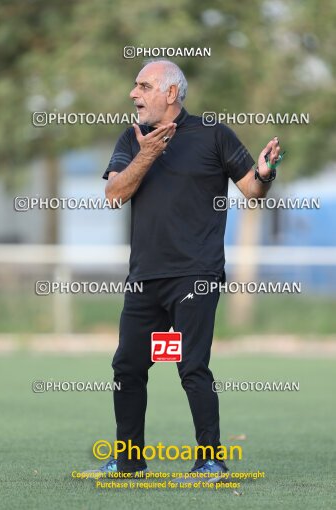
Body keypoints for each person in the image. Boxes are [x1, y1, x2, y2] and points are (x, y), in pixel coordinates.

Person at [84, 59, 281, 481]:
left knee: (192, 366)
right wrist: (148, 153)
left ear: (170, 93)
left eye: (143, 86)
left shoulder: (214, 134)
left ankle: (210, 458)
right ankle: (128, 459)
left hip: (196, 273)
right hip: (144, 277)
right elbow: (114, 194)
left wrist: (266, 172)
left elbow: (253, 188)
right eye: (135, 87)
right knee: (128, 367)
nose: (133, 94)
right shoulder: (132, 138)